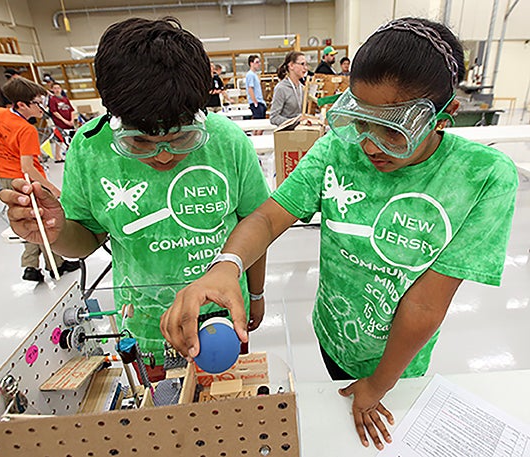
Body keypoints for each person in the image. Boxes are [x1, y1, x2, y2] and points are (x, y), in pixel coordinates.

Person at [160, 17, 518, 450]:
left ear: (444, 117)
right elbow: (268, 218)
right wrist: (226, 265)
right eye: (362, 121)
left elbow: (425, 304)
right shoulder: (338, 149)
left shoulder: (482, 177)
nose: (369, 145)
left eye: (392, 130)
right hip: (333, 333)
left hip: (398, 361)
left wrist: (379, 385)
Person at [0, 17, 270, 378]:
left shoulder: (227, 141)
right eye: (139, 142)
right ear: (114, 116)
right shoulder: (91, 149)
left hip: (222, 314)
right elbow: (88, 237)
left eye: (180, 139)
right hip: (145, 324)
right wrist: (56, 231)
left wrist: (255, 293)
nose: (161, 156)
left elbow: (256, 224)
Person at [0, 77, 79, 282]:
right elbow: (27, 167)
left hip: (5, 177)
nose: (43, 108)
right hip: (26, 180)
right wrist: (53, 189)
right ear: (21, 104)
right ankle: (54, 264)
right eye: (38, 103)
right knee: (41, 222)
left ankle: (34, 265)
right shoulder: (26, 129)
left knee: (29, 222)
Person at [269, 52, 310, 126]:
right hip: (286, 134)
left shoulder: (302, 88)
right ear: (291, 66)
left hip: (301, 132)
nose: (306, 68)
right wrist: (295, 121)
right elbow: (273, 118)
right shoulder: (281, 88)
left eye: (306, 64)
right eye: (302, 64)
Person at [47, 82, 75, 162]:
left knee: (70, 138)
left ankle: (70, 153)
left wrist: (71, 120)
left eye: (58, 88)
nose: (57, 90)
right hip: (60, 123)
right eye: (55, 88)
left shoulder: (65, 99)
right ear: (52, 89)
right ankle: (58, 156)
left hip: (70, 122)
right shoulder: (53, 100)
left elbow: (72, 110)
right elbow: (54, 112)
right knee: (59, 139)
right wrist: (65, 121)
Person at [245, 54, 266, 135]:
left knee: (260, 126)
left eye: (259, 62)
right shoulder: (250, 75)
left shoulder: (254, 75)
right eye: (256, 62)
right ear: (251, 63)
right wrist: (255, 102)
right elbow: (250, 88)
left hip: (260, 101)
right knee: (259, 125)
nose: (259, 64)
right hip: (257, 102)